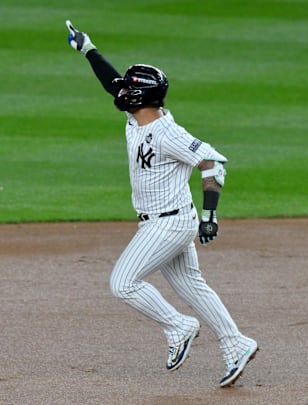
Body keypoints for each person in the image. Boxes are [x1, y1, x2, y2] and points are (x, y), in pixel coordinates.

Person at [65, 20, 258, 387]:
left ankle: (179, 327)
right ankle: (236, 343)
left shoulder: (167, 132)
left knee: (123, 283)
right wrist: (87, 48)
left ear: (139, 97)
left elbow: (213, 164)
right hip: (163, 220)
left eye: (128, 89)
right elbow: (113, 82)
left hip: (168, 224)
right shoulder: (135, 117)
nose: (120, 91)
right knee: (193, 288)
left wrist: (210, 215)